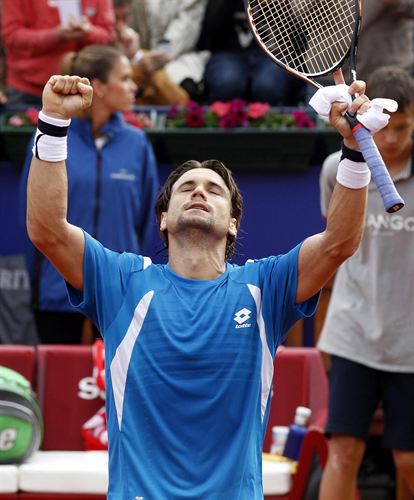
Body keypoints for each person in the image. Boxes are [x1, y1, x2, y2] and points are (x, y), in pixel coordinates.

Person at [26, 69, 374, 497]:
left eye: (213, 189)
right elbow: (47, 229)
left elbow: (339, 242)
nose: (198, 192)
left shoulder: (265, 287)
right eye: (186, 187)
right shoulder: (121, 280)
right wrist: (54, 123)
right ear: (164, 219)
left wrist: (354, 150)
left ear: (232, 223)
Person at [318, 66, 414, 500]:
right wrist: (324, 335)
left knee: (408, 462)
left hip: (410, 345)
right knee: (341, 453)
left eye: (404, 128)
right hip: (352, 334)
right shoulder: (335, 168)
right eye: (386, 127)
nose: (391, 139)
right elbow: (334, 250)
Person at [20, 45, 159, 344]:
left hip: (120, 287)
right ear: (99, 87)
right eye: (124, 79)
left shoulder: (137, 144)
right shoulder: (53, 134)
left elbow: (147, 217)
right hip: (56, 288)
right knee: (59, 381)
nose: (133, 87)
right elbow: (32, 211)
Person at [2, 0, 115, 105]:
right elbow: (11, 36)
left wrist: (89, 31)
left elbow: (108, 36)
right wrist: (55, 35)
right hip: (27, 90)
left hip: (85, 89)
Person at [199, 0, 306, 105]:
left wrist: (282, 8)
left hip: (273, 55)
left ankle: (278, 120)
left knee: (268, 85)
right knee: (227, 82)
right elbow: (207, 37)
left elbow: (300, 45)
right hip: (229, 53)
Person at [127, 0, 209, 101]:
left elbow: (182, 31)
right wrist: (138, 55)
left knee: (180, 88)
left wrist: (158, 55)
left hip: (179, 57)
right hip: (136, 56)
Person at [113, 0, 189, 105]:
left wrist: (136, 58)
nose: (121, 27)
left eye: (125, 18)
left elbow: (181, 104)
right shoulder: (93, 55)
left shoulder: (142, 57)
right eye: (114, 19)